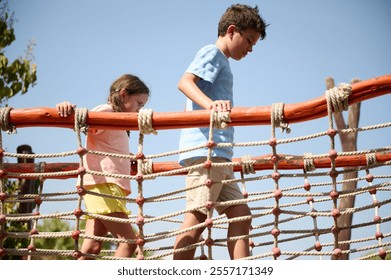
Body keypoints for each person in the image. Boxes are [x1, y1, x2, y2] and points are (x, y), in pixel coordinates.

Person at [173, 4, 268, 260]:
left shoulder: (223, 61)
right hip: (207, 150)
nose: (250, 48)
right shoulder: (212, 53)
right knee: (197, 215)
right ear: (231, 30)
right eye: (249, 41)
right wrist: (210, 105)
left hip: (220, 155)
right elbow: (185, 82)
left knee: (241, 215)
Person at [56, 74, 150, 259]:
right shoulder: (107, 111)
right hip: (104, 185)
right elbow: (82, 124)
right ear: (123, 94)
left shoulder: (119, 122)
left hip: (104, 186)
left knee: (91, 248)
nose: (140, 111)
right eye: (139, 103)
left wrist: (128, 158)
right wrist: (66, 108)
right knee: (129, 242)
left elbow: (107, 147)